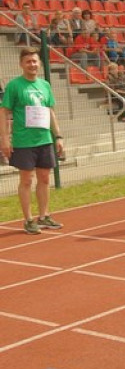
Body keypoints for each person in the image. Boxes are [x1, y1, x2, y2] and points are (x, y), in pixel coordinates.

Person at [0, 47, 64, 235]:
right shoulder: (14, 86)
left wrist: (58, 136)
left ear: (40, 64)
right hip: (24, 141)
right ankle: (28, 220)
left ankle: (44, 216)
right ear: (21, 64)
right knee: (26, 180)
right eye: (28, 61)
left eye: (35, 61)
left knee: (44, 178)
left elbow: (50, 111)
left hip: (44, 139)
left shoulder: (45, 85)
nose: (32, 64)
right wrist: (5, 139)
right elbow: (4, 112)